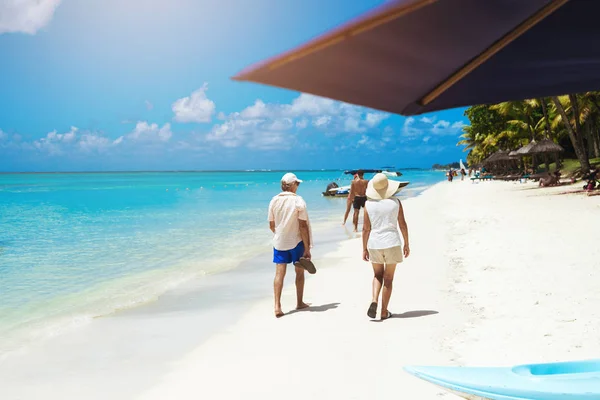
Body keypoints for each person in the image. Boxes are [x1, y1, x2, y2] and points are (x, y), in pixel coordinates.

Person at [362, 173, 410, 320]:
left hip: (375, 243)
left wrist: (364, 248)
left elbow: (366, 229)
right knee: (388, 279)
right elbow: (402, 224)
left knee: (377, 275)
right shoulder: (395, 202)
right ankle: (384, 311)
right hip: (392, 242)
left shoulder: (368, 205)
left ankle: (374, 300)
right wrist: (406, 243)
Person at [268, 172, 316, 318]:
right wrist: (307, 248)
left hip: (279, 242)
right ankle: (299, 302)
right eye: (297, 184)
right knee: (299, 272)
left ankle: (277, 306)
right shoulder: (298, 201)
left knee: (279, 274)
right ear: (293, 185)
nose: (298, 186)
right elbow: (302, 226)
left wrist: (280, 235)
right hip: (296, 242)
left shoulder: (274, 200)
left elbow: (271, 225)